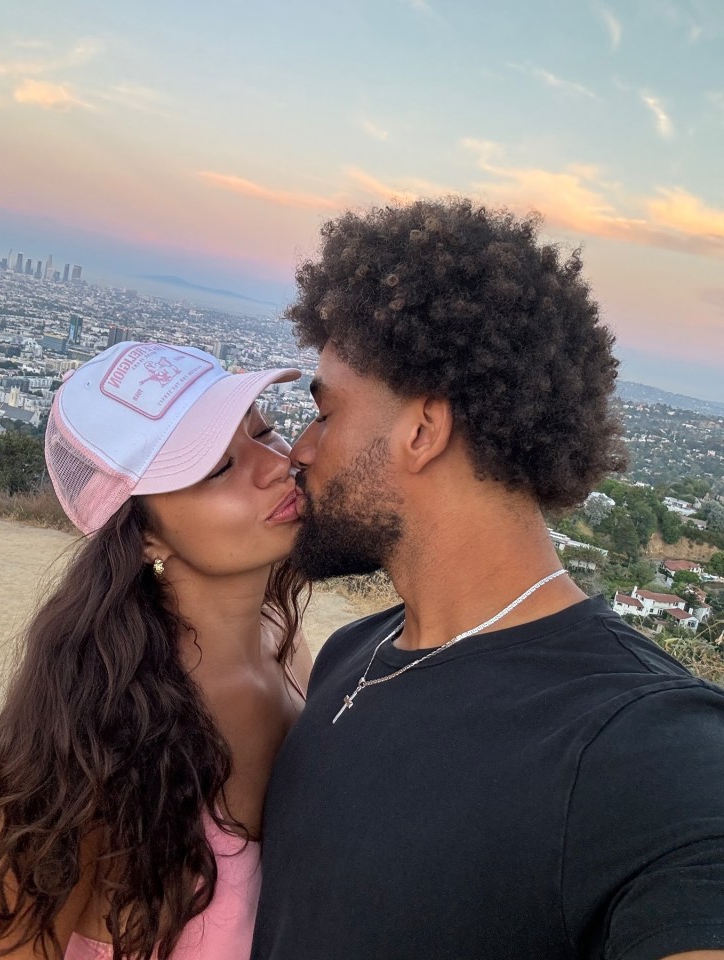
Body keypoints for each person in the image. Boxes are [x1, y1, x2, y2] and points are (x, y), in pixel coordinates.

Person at [251, 198, 724, 960]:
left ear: (424, 430)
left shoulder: (640, 743)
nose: (298, 450)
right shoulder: (353, 655)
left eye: (325, 414)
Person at [0, 341, 312, 960]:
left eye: (267, 430)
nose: (277, 464)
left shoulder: (287, 644)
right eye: (219, 468)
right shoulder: (88, 742)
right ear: (144, 532)